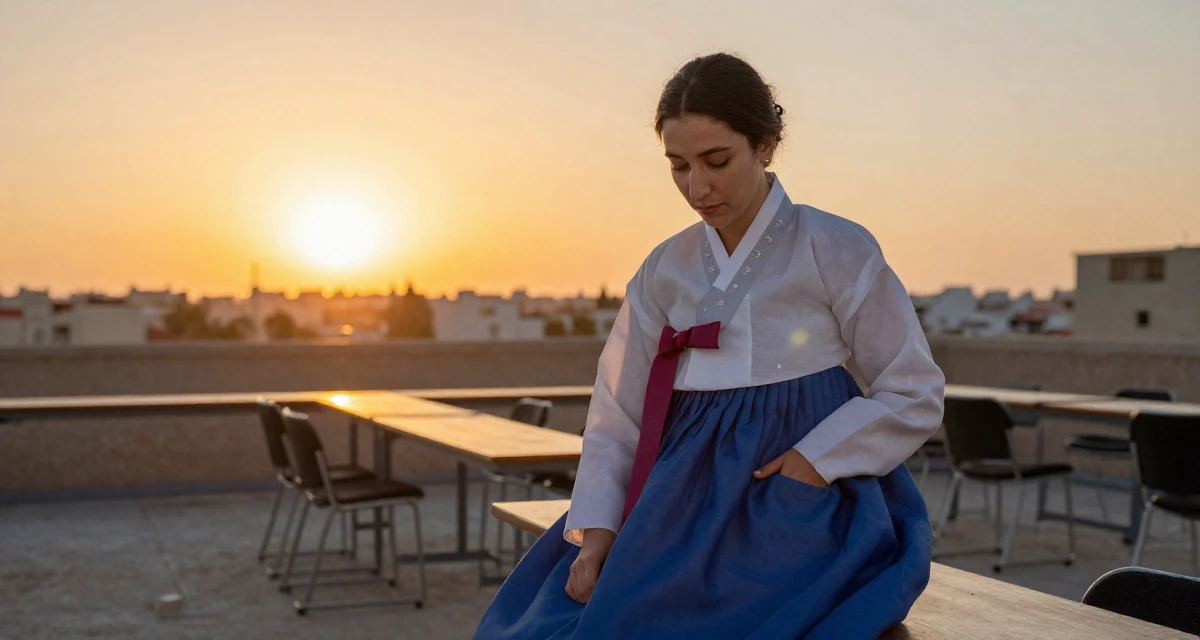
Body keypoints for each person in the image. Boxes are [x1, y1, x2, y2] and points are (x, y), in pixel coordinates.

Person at [474, 52, 945, 640]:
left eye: (716, 161)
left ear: (766, 143)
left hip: (797, 501)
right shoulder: (663, 268)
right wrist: (596, 529)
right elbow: (618, 411)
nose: (697, 187)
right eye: (678, 166)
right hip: (679, 497)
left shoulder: (835, 246)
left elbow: (914, 389)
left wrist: (817, 461)